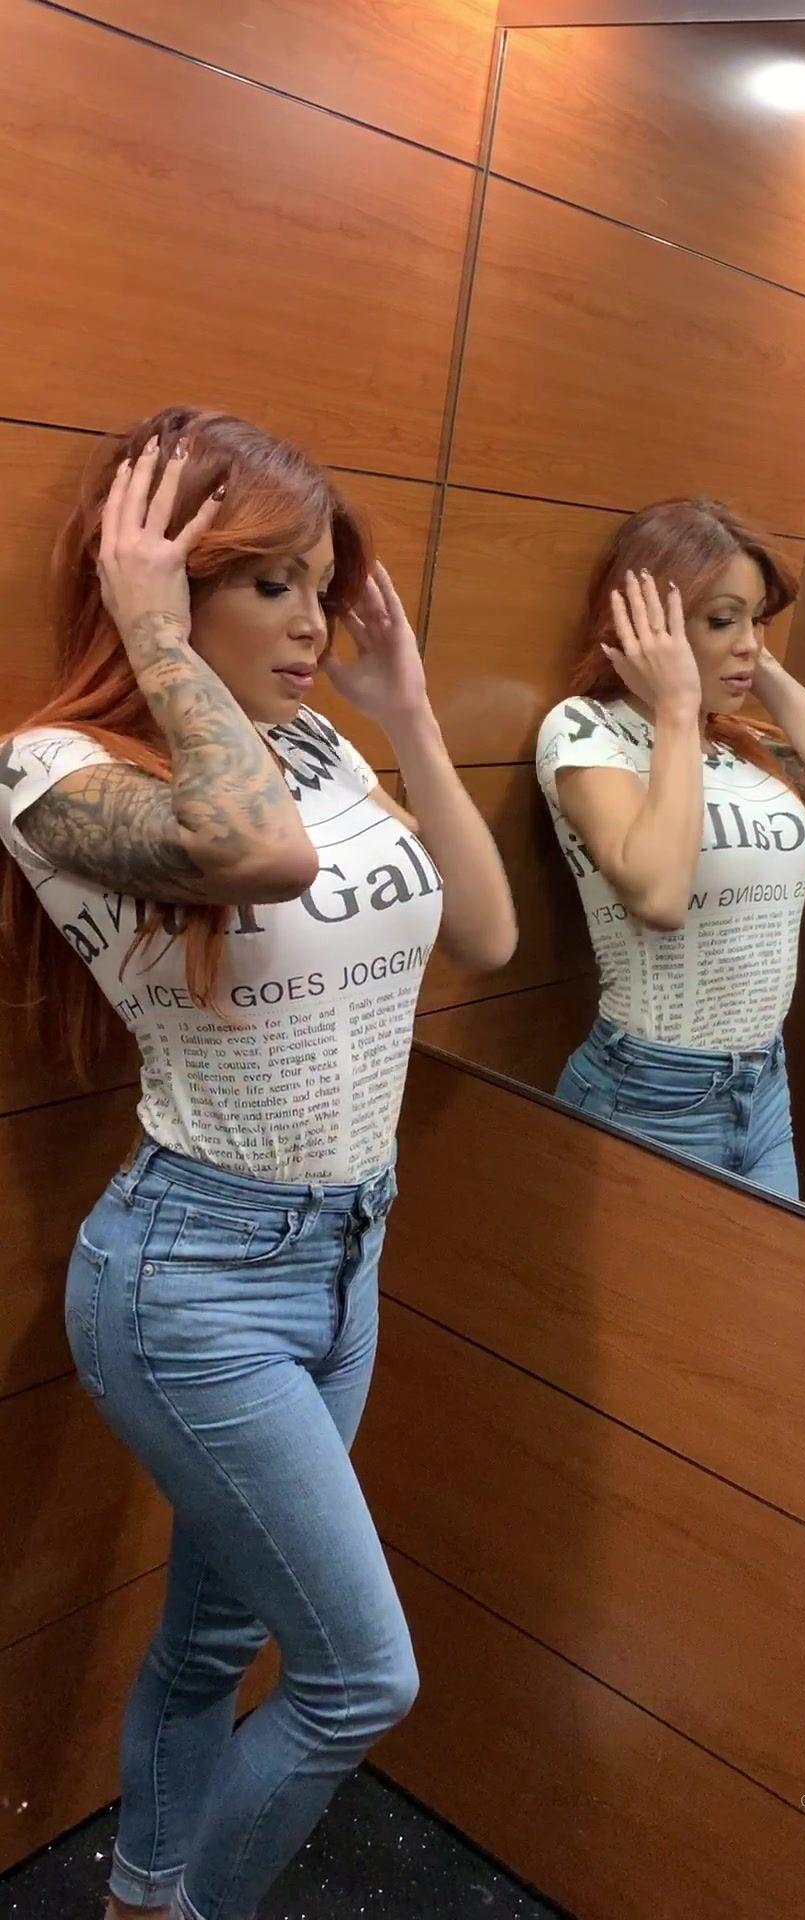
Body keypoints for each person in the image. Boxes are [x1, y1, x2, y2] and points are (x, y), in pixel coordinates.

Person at [0, 407, 517, 1920]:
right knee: (361, 1676)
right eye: (272, 583)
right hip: (194, 1280)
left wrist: (406, 714)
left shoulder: (316, 743)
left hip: (346, 1259)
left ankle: (140, 1892)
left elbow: (486, 936)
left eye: (323, 584)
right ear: (164, 578)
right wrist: (153, 635)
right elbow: (259, 856)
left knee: (217, 1641)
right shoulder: (50, 770)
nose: (313, 624)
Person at [536, 497, 805, 1198]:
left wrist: (755, 664)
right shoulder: (586, 730)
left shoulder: (739, 740)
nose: (749, 642)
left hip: (762, 1085)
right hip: (650, 1091)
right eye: (721, 619)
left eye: (758, 619)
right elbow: (659, 896)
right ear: (646, 625)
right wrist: (676, 706)